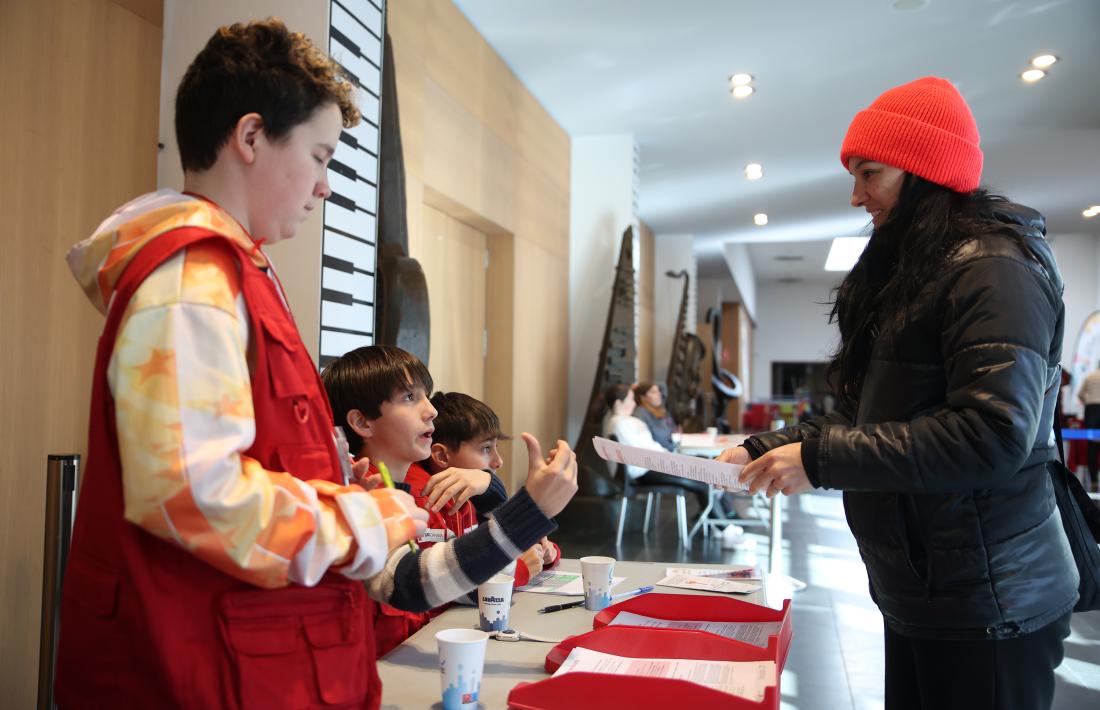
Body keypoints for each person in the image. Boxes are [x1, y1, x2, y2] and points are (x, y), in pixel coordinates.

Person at [56, 20, 577, 709]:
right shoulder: (195, 279)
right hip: (195, 669)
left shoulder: (240, 274)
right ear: (249, 138)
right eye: (320, 155)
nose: (325, 185)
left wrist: (342, 490)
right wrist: (366, 517)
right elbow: (192, 492)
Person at [718, 77, 1077, 710]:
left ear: (924, 170)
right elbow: (867, 414)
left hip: (991, 598)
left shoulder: (994, 269)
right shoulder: (920, 272)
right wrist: (766, 446)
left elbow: (991, 435)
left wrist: (821, 462)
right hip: (927, 586)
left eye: (869, 173)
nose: (856, 196)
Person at [322, 345, 575, 658]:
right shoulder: (355, 496)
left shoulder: (408, 492)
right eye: (409, 398)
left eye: (425, 396)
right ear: (362, 423)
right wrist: (531, 512)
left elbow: (453, 565)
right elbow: (423, 583)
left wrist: (501, 498)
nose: (431, 411)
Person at [425, 390, 562, 584]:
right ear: (441, 456)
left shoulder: (474, 502)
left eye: (496, 447)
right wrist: (518, 569)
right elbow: (450, 582)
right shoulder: (430, 506)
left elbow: (504, 539)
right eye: (486, 448)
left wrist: (542, 550)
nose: (498, 461)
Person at [603, 383, 711, 513]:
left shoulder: (626, 422)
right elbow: (643, 452)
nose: (634, 403)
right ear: (618, 403)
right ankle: (719, 525)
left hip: (651, 468)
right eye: (630, 399)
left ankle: (713, 523)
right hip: (646, 472)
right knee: (703, 480)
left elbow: (648, 447)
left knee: (703, 474)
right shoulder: (620, 423)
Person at [633, 381, 678, 451]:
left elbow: (664, 386)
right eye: (653, 392)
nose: (659, 394)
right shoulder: (640, 413)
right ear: (643, 397)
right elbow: (658, 438)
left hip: (673, 447)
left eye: (658, 391)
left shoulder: (660, 410)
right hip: (663, 453)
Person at [1078, 364, 1100, 492]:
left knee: (1092, 445)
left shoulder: (1090, 376)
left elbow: (1080, 394)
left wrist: (1087, 400)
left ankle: (1094, 480)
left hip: (1091, 410)